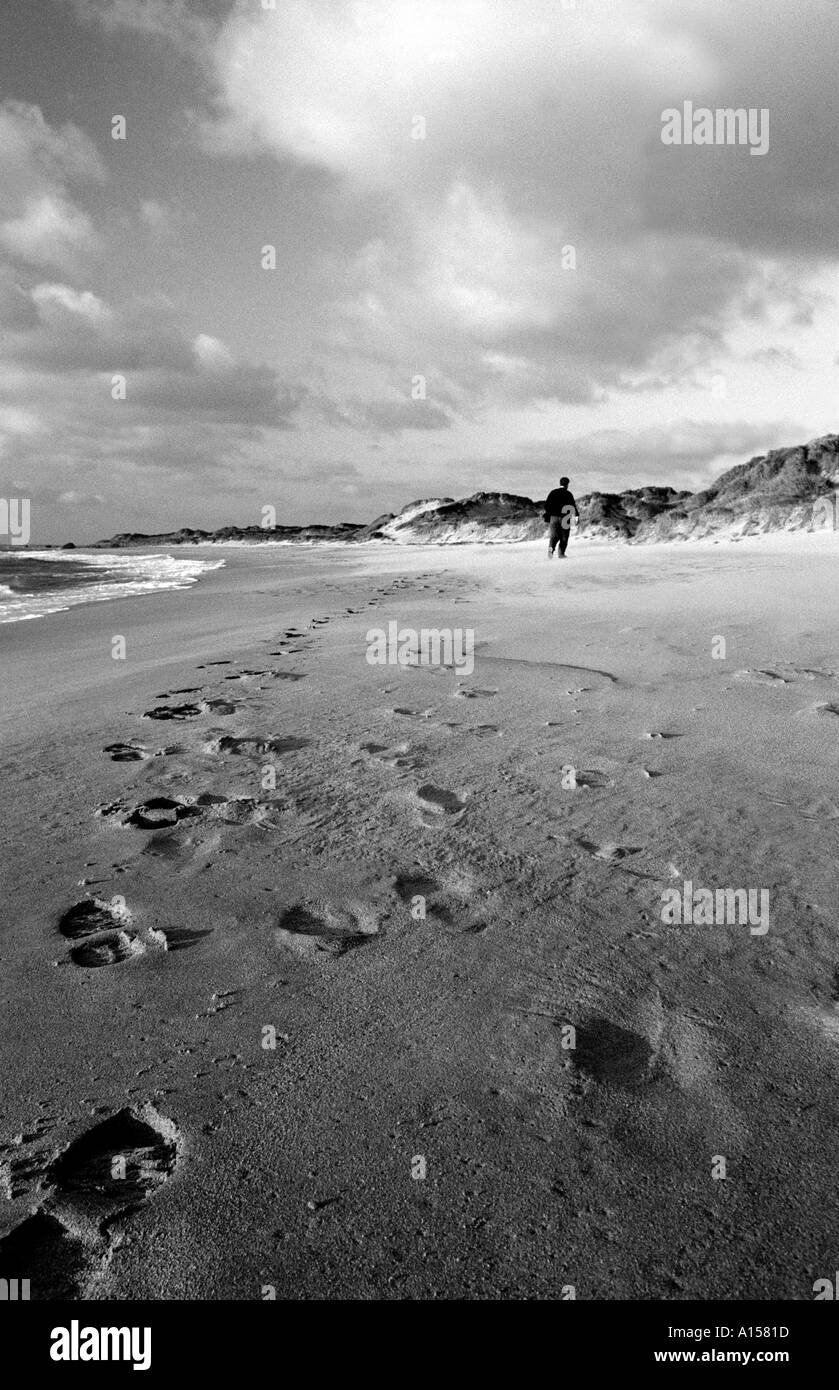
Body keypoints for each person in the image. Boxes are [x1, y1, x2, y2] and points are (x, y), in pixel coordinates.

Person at [544, 477, 580, 558]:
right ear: (567, 484)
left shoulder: (553, 493)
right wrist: (576, 517)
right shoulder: (568, 494)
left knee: (553, 536)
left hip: (554, 518)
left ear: (560, 483)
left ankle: (550, 552)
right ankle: (561, 554)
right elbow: (572, 507)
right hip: (565, 518)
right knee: (564, 537)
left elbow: (546, 506)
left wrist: (549, 515)